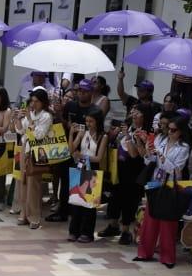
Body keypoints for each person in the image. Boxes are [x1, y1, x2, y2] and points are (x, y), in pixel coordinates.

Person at [134, 116, 192, 268]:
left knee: (168, 223)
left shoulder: (184, 147)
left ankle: (167, 257)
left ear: (181, 131)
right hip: (155, 182)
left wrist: (161, 155)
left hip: (170, 185)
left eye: (174, 130)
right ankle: (144, 253)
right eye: (169, 129)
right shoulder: (161, 140)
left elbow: (176, 170)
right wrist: (148, 151)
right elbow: (149, 161)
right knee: (149, 220)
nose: (170, 132)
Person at [111, 104, 155, 247]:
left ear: (145, 116)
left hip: (134, 171)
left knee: (129, 201)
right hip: (119, 168)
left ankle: (126, 231)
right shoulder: (128, 127)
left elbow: (134, 154)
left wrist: (128, 137)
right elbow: (117, 144)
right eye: (133, 112)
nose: (134, 115)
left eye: (138, 113)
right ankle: (113, 225)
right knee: (115, 197)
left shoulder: (145, 133)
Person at [18, 88, 55, 229]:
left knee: (34, 184)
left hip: (37, 151)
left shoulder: (46, 116)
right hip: (25, 149)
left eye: (37, 101)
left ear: (43, 102)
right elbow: (21, 130)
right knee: (23, 181)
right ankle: (24, 213)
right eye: (32, 101)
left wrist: (28, 119)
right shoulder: (31, 113)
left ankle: (34, 216)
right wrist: (18, 118)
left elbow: (39, 135)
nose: (33, 104)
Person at [66, 112, 105, 242]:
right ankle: (74, 231)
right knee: (76, 199)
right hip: (80, 166)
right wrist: (71, 134)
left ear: (97, 122)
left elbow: (98, 157)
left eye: (91, 121)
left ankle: (87, 233)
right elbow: (71, 149)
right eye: (87, 121)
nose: (88, 124)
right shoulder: (83, 133)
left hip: (93, 168)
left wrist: (82, 156)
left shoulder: (102, 136)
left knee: (89, 203)